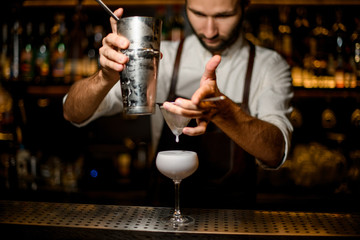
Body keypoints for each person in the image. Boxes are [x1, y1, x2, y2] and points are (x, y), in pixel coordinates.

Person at [63, 0, 293, 208]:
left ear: (245, 6)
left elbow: (276, 152)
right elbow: (73, 112)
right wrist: (105, 77)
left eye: (223, 16)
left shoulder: (269, 66)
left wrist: (224, 113)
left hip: (236, 219)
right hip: (162, 213)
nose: (210, 30)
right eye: (198, 13)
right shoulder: (160, 56)